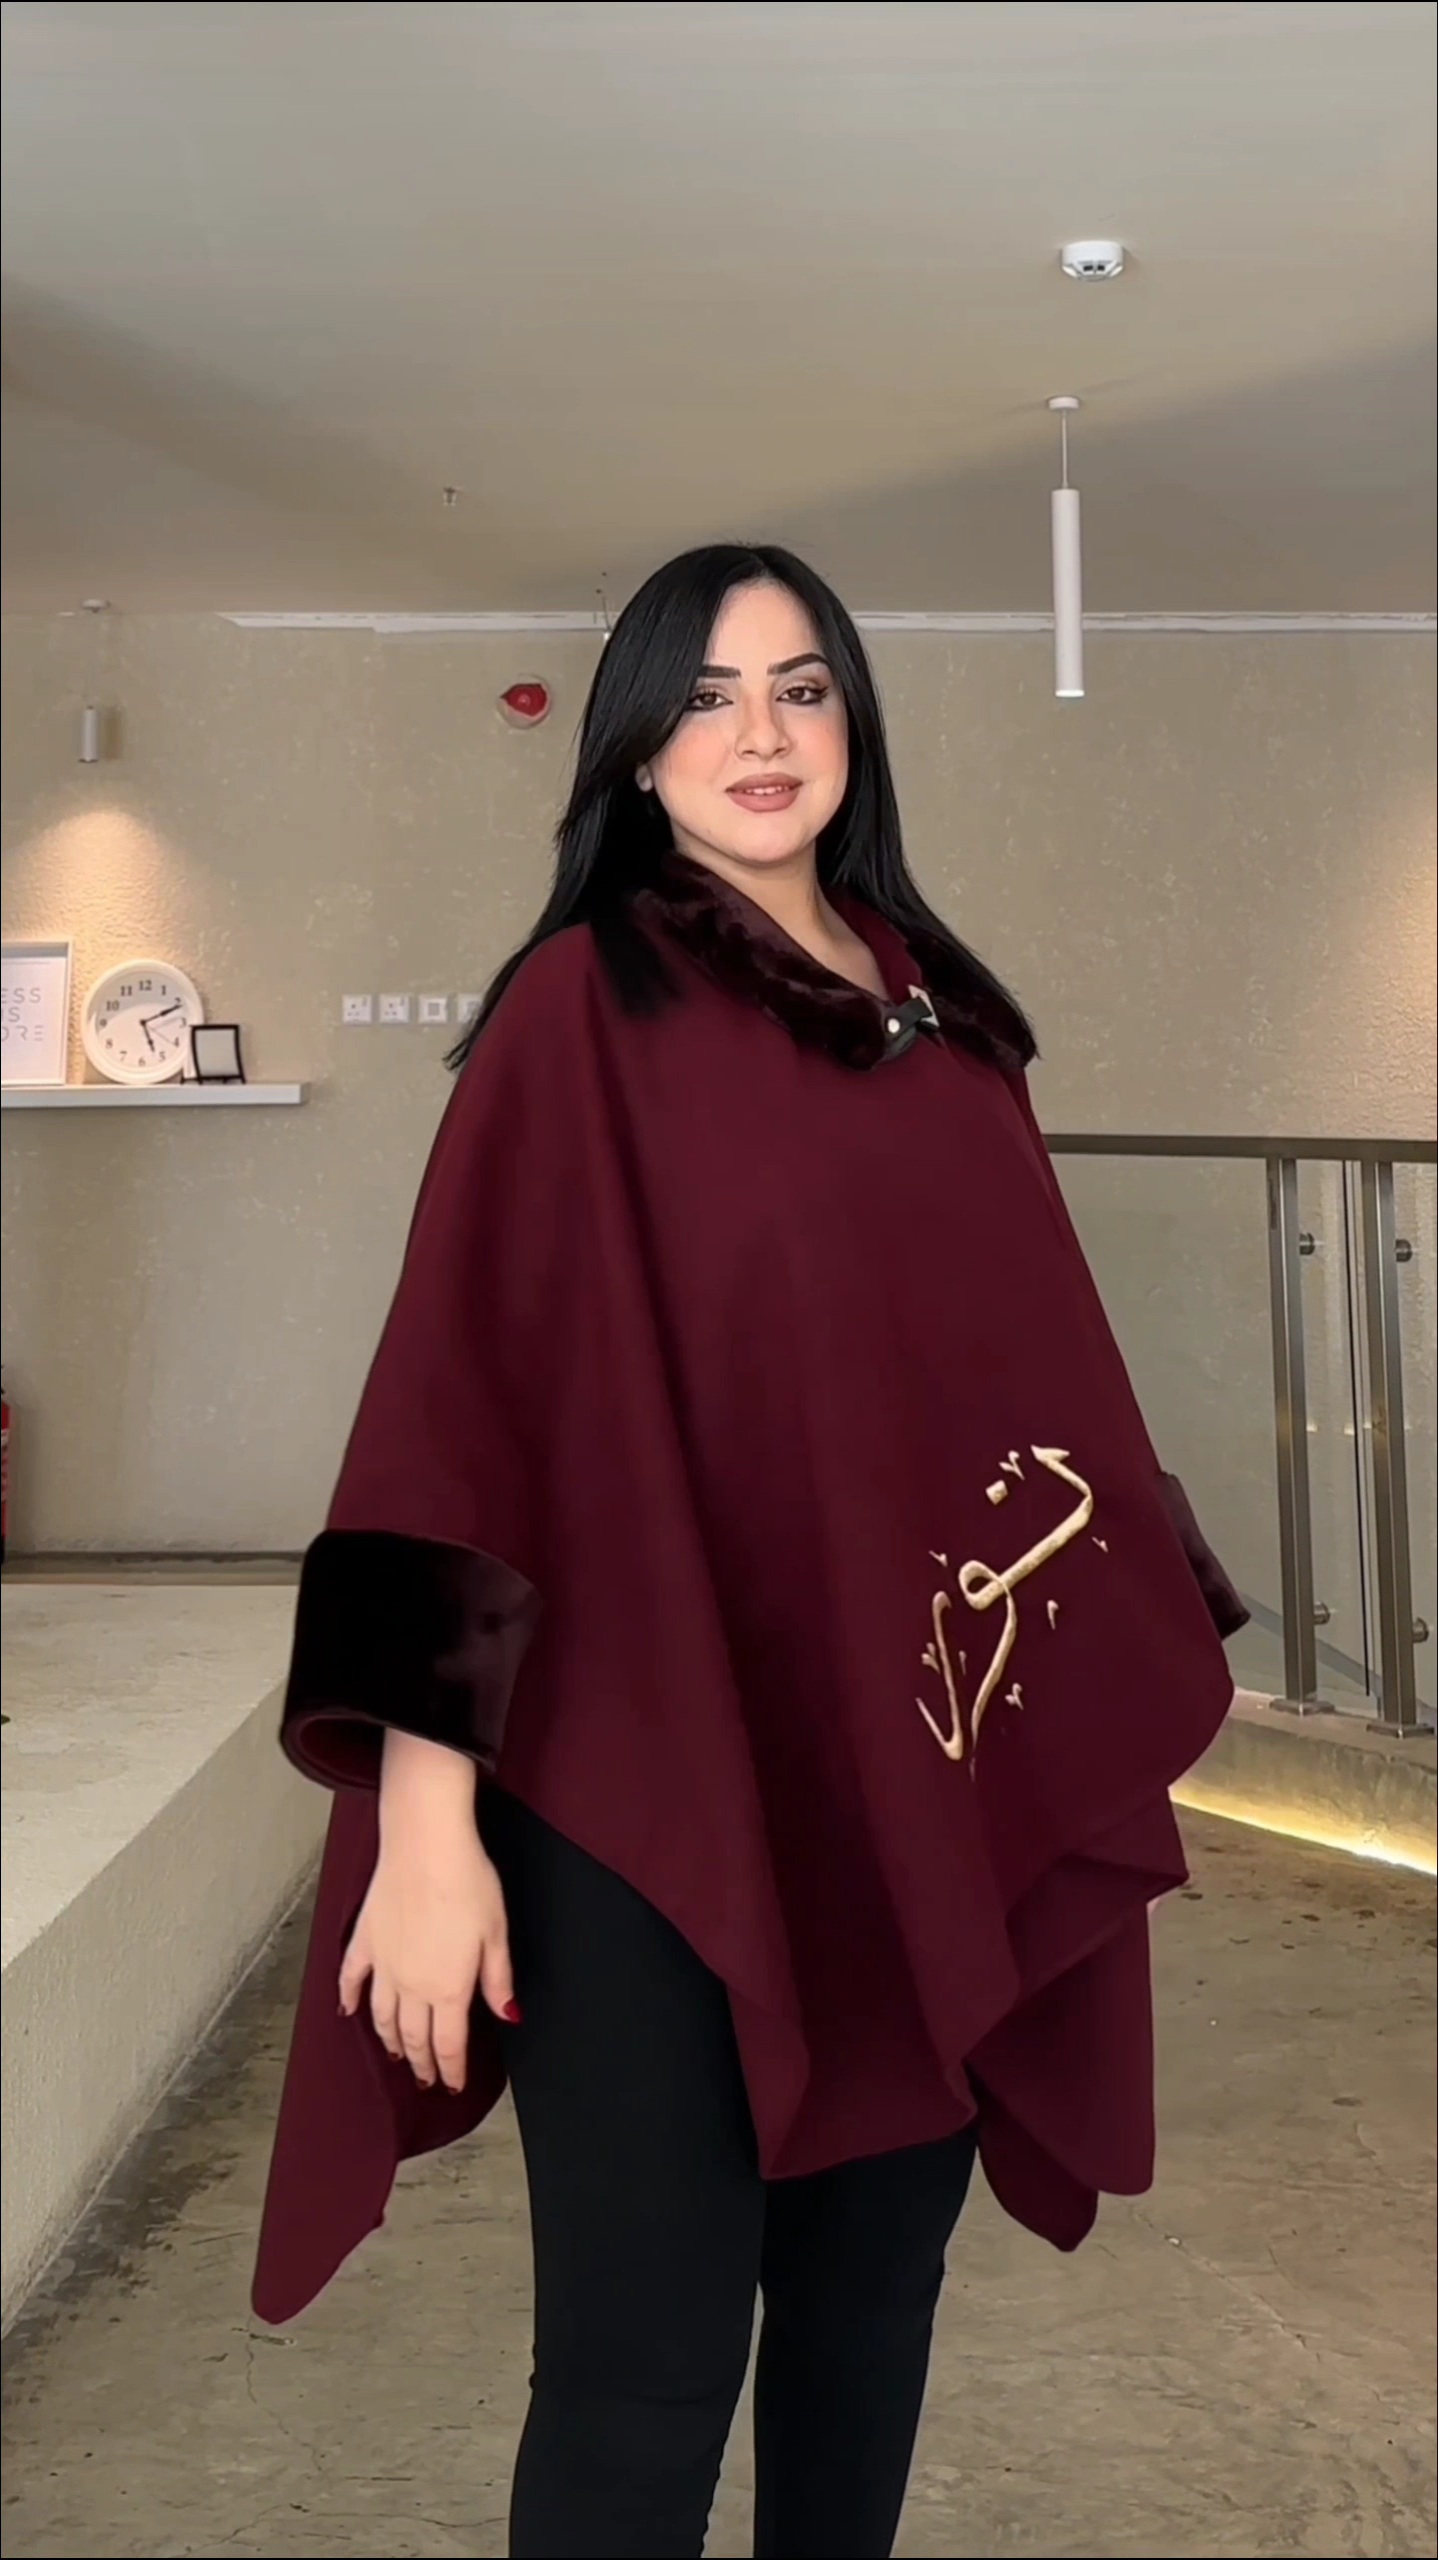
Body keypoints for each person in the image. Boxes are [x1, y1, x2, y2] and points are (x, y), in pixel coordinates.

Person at [252, 544, 1241, 2559]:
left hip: (906, 1773)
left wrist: (1080, 1693)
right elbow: (456, 1410)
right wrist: (428, 1834)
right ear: (633, 748)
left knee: (869, 2321)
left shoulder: (942, 1027)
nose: (760, 733)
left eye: (799, 686)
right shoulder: (579, 1015)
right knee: (642, 2368)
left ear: (851, 720)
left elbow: (1023, 1389)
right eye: (703, 696)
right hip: (639, 1789)